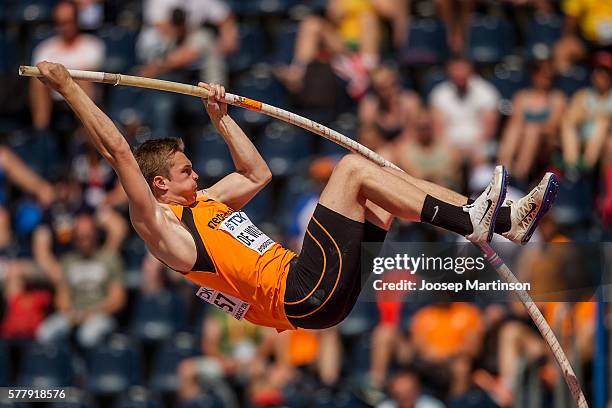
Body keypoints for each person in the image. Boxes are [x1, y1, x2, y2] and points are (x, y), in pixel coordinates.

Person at [34, 61, 558, 332]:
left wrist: (222, 120)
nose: (198, 176)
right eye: (186, 171)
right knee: (351, 170)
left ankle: (499, 215)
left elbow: (258, 173)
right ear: (160, 187)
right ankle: (475, 221)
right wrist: (68, 88)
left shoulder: (208, 205)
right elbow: (121, 153)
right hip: (301, 292)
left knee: (377, 188)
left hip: (322, 296)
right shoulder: (166, 232)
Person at [30, 0, 105, 132]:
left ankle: (86, 131)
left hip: (81, 94)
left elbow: (93, 76)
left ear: (77, 21)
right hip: (54, 96)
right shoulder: (45, 49)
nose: (64, 27)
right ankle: (41, 133)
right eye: (60, 23)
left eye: (68, 22)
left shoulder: (92, 46)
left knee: (84, 82)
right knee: (37, 83)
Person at [498, 59, 566, 183]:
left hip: (546, 145)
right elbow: (515, 122)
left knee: (532, 130)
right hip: (522, 141)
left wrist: (532, 128)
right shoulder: (522, 97)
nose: (544, 79)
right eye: (541, 75)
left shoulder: (557, 98)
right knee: (514, 128)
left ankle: (519, 175)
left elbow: (552, 127)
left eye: (548, 77)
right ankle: (503, 169)